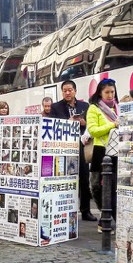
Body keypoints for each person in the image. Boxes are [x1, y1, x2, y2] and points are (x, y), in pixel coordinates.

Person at [50, 80, 96, 222]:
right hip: (63, 147)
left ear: (75, 91)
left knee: (84, 178)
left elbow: (92, 123)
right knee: (63, 179)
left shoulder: (85, 106)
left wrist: (85, 123)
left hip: (81, 145)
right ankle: (63, 210)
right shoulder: (56, 107)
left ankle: (86, 211)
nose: (67, 93)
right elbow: (52, 126)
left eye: (70, 90)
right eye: (64, 90)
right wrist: (68, 122)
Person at [85, 78, 119, 232]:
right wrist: (113, 124)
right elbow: (93, 130)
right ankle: (104, 217)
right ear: (100, 92)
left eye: (112, 92)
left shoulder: (118, 108)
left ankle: (108, 219)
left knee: (113, 188)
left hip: (117, 151)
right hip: (100, 150)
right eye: (107, 92)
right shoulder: (94, 108)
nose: (110, 95)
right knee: (98, 187)